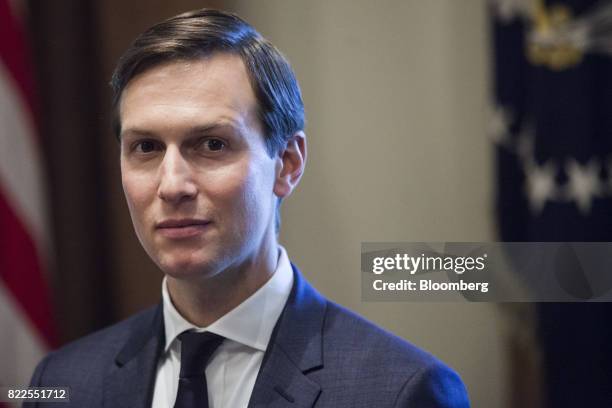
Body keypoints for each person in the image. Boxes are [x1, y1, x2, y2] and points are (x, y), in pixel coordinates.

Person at [26, 8, 470, 408]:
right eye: (146, 147)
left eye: (212, 144)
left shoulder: (402, 391)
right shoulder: (59, 383)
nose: (172, 185)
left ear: (288, 164)